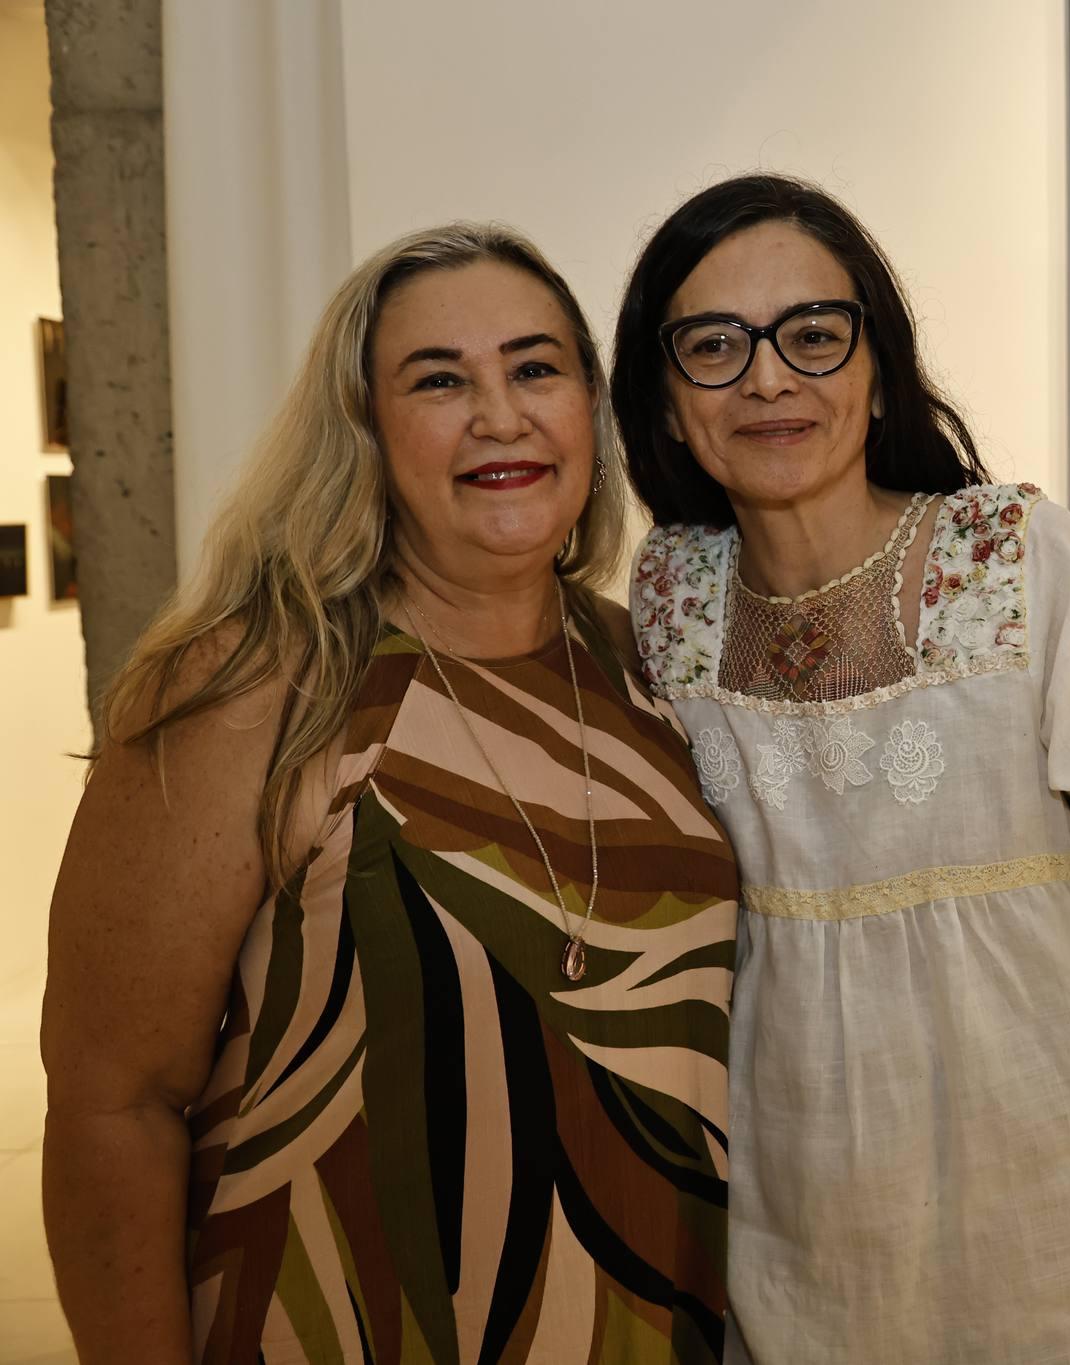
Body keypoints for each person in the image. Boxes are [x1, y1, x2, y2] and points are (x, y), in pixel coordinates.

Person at [613, 174, 1070, 1365]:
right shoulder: (668, 602)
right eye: (713, 346)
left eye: (813, 335)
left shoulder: (1015, 556)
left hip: (1065, 1213)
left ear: (878, 372)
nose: (768, 379)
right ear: (665, 403)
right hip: (794, 1225)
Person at [42, 224, 740, 1364]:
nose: (500, 416)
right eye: (438, 380)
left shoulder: (652, 672)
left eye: (534, 367)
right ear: (364, 428)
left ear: (589, 408)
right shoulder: (255, 686)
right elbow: (113, 1103)